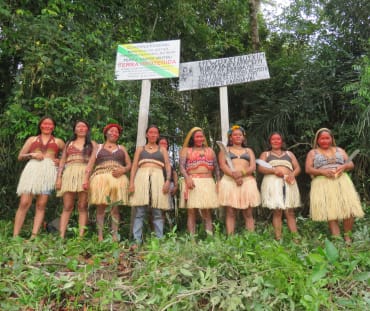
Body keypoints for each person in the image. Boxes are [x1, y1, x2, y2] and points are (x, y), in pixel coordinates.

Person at [305, 128, 364, 243]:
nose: (325, 141)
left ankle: (347, 237)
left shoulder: (339, 150)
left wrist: (343, 167)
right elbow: (308, 169)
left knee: (349, 210)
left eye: (327, 138)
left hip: (342, 181)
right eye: (322, 138)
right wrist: (322, 172)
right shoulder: (313, 153)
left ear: (331, 139)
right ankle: (337, 239)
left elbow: (350, 164)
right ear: (317, 140)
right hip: (323, 183)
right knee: (332, 212)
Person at [14, 116, 65, 238]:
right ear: (40, 126)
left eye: (50, 124)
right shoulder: (32, 139)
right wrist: (32, 154)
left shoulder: (58, 141)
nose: (47, 126)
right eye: (44, 124)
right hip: (32, 171)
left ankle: (34, 236)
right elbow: (20, 156)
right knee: (24, 202)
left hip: (48, 173)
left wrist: (60, 161)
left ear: (53, 127)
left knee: (41, 204)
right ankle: (15, 235)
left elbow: (67, 157)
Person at [89, 123, 131, 241]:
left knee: (115, 209)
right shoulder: (98, 147)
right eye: (111, 131)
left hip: (118, 180)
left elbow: (129, 164)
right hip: (100, 178)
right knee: (101, 207)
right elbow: (91, 163)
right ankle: (100, 236)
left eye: (116, 132)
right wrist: (86, 179)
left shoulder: (121, 148)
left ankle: (114, 236)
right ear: (106, 133)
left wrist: (124, 169)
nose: (114, 133)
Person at [129, 125, 171, 244]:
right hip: (141, 179)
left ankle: (159, 240)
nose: (153, 135)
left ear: (158, 135)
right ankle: (137, 241)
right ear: (147, 134)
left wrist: (168, 180)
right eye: (151, 132)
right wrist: (131, 182)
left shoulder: (162, 149)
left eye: (155, 133)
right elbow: (134, 167)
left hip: (158, 179)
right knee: (140, 212)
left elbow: (167, 166)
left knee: (157, 212)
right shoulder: (140, 149)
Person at [55, 120, 97, 238]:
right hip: (69, 173)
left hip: (84, 173)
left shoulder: (92, 144)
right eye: (78, 126)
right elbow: (62, 161)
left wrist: (86, 179)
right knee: (67, 206)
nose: (81, 128)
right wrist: (59, 178)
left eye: (84, 126)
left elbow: (92, 162)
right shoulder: (69, 143)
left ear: (87, 129)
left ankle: (80, 236)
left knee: (82, 206)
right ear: (75, 129)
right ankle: (61, 235)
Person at [258, 132, 301, 241]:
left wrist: (292, 174)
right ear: (270, 141)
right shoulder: (266, 154)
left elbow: (297, 168)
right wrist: (273, 170)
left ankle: (296, 239)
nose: (276, 141)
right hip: (273, 183)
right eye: (273, 139)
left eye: (278, 139)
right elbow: (261, 168)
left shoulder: (289, 154)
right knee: (277, 211)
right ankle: (278, 238)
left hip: (288, 182)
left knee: (290, 211)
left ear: (282, 141)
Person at [218, 125, 261, 235]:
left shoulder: (248, 150)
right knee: (231, 212)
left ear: (243, 137)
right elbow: (223, 165)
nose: (238, 136)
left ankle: (250, 237)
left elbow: (252, 167)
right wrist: (234, 176)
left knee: (248, 212)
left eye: (240, 135)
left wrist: (241, 173)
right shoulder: (225, 150)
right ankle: (231, 238)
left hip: (247, 181)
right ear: (230, 137)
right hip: (229, 181)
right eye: (235, 135)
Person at [179, 127, 220, 235]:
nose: (199, 138)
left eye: (201, 136)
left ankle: (210, 237)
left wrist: (218, 181)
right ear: (193, 138)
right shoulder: (186, 151)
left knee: (207, 211)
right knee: (191, 211)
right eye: (197, 136)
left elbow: (216, 167)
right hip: (192, 182)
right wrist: (187, 178)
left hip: (208, 181)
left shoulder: (210, 150)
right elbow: (182, 167)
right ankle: (192, 240)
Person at [158, 137, 179, 211]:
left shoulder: (170, 157)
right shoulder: (154, 155)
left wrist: (176, 186)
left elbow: (174, 172)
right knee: (154, 209)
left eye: (165, 143)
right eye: (161, 143)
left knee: (164, 209)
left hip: (168, 184)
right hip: (156, 183)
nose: (163, 145)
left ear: (167, 146)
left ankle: (162, 222)